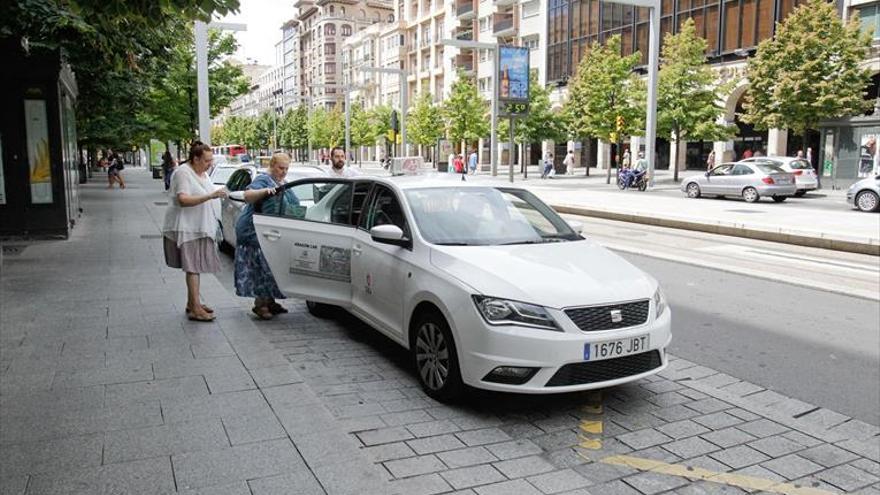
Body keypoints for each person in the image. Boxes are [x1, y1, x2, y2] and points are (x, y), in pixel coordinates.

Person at [162, 141, 227, 322]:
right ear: (195, 158)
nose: (210, 164)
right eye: (207, 160)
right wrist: (210, 196)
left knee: (195, 267)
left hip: (199, 227)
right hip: (188, 228)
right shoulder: (183, 172)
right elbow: (183, 199)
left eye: (211, 160)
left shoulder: (202, 173)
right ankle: (195, 307)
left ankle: (193, 303)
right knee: (193, 268)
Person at [235, 152, 295, 320]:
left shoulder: (281, 181)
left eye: (286, 168)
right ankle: (260, 305)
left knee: (271, 267)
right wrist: (265, 191)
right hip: (253, 231)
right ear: (272, 165)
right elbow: (247, 195)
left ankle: (270, 301)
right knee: (260, 267)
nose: (284, 171)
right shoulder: (263, 179)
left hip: (269, 232)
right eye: (281, 168)